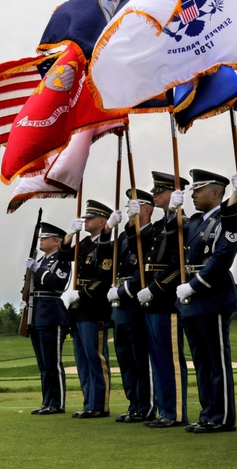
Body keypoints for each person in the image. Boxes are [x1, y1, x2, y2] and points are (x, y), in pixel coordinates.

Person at [120, 171, 189, 428]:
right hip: (151, 302)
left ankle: (175, 412)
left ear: (174, 193)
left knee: (169, 360)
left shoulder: (183, 222)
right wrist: (132, 220)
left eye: (160, 190)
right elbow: (137, 240)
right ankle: (165, 410)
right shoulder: (159, 226)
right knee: (158, 361)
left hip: (166, 300)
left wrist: (156, 288)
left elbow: (177, 265)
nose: (156, 194)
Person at [176, 169, 237, 434]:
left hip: (211, 295)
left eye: (198, 189)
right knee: (201, 362)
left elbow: (222, 257)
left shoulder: (226, 219)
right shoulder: (196, 222)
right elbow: (173, 234)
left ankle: (222, 416)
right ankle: (208, 413)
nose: (193, 194)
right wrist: (172, 211)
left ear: (216, 192)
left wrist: (194, 286)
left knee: (216, 361)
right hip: (191, 299)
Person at [59, 200, 114, 418]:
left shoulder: (107, 245)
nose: (85, 221)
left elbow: (103, 277)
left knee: (95, 359)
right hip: (79, 310)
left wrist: (81, 294)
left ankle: (100, 405)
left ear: (102, 221)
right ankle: (89, 402)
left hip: (95, 308)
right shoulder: (85, 244)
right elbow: (64, 254)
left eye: (90, 218)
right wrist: (69, 235)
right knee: (82, 360)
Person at [106, 189, 154, 423]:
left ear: (146, 209)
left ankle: (145, 404)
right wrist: (108, 229)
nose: (128, 212)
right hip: (120, 303)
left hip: (136, 300)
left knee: (138, 356)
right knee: (124, 356)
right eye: (127, 208)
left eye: (133, 207)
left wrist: (124, 291)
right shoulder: (124, 236)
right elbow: (103, 256)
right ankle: (134, 403)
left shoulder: (153, 233)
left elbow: (145, 269)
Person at [24, 222, 71, 415]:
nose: (41, 241)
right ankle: (47, 401)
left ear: (57, 241)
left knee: (53, 362)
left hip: (52, 314)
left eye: (45, 238)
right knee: (43, 363)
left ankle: (57, 403)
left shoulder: (61, 259)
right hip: (37, 314)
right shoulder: (42, 261)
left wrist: (38, 270)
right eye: (41, 237)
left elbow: (57, 284)